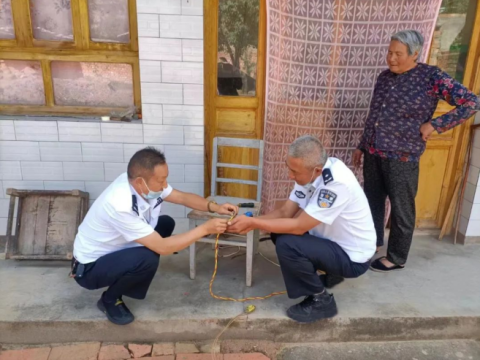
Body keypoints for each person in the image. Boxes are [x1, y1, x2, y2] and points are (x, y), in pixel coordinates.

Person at [352, 30, 480, 273]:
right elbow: (374, 115)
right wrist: (361, 145)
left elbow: (472, 102)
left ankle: (397, 257)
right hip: (373, 152)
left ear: (415, 53)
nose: (391, 58)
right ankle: (374, 243)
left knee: (401, 208)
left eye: (398, 54)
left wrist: (435, 124)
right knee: (372, 202)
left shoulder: (430, 77)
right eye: (389, 52)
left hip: (403, 155)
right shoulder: (384, 77)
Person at [72, 147, 237, 325]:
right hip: (89, 268)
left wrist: (215, 207)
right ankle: (110, 299)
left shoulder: (142, 185)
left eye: (165, 179)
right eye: (161, 180)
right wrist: (205, 229)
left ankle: (132, 272)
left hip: (115, 249)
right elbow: (163, 247)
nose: (165, 185)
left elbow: (182, 197)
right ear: (140, 182)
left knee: (165, 223)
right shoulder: (119, 204)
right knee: (148, 258)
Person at [228, 135, 376, 323]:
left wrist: (254, 224)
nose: (290, 175)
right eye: (289, 168)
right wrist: (251, 220)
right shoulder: (311, 174)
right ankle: (329, 274)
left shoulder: (336, 184)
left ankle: (321, 300)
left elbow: (298, 227)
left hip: (353, 257)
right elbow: (285, 212)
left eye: (294, 171)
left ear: (316, 170)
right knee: (279, 232)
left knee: (288, 244)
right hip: (334, 243)